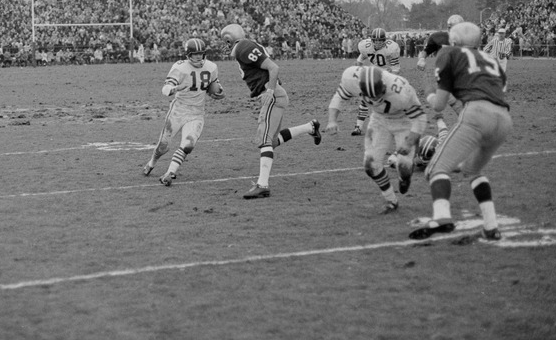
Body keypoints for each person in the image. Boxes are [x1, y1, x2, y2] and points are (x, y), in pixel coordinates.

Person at [409, 22, 512, 241]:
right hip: (504, 119)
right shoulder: (492, 60)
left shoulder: (449, 54)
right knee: (473, 171)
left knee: (435, 168)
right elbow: (497, 88)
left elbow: (438, 105)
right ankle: (491, 226)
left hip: (476, 114)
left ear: (453, 42)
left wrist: (429, 91)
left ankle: (442, 216)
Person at [220, 23, 321, 199]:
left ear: (230, 38)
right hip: (275, 95)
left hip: (272, 94)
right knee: (272, 142)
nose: (226, 44)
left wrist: (270, 91)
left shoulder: (243, 46)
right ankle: (310, 128)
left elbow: (274, 68)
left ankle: (262, 185)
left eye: (226, 41)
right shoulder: (245, 47)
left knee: (264, 139)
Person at [325, 65, 427, 214]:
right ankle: (391, 200)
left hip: (404, 121)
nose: (376, 100)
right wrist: (332, 120)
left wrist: (410, 141)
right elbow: (339, 96)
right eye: (371, 97)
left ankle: (405, 177)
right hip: (379, 121)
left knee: (404, 168)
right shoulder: (350, 78)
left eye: (379, 95)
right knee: (370, 164)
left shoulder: (401, 89)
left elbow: (420, 117)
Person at [142, 38, 224, 186]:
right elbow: (165, 89)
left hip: (197, 113)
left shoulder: (211, 67)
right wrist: (174, 89)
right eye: (195, 54)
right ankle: (152, 162)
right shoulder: (180, 67)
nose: (198, 57)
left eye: (201, 53)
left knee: (188, 145)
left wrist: (218, 92)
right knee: (163, 146)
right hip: (178, 111)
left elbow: (214, 85)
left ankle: (169, 173)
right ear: (188, 54)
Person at [351, 28, 401, 136]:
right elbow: (361, 58)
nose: (378, 43)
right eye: (376, 40)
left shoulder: (391, 48)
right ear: (372, 40)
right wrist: (358, 67)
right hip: (373, 72)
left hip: (387, 74)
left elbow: (396, 68)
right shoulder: (366, 46)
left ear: (384, 40)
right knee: (365, 99)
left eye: (380, 40)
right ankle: (358, 127)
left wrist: (391, 77)